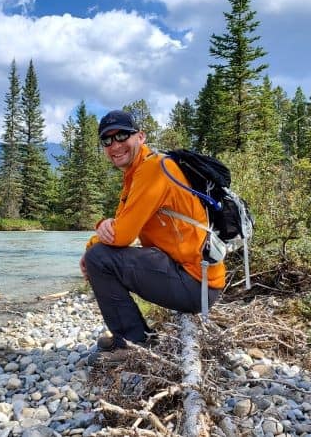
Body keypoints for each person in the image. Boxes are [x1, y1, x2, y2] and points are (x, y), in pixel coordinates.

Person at [80, 110, 225, 363]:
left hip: (196, 285)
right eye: (107, 140)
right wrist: (98, 234)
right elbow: (121, 226)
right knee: (97, 255)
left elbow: (121, 235)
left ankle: (132, 344)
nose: (115, 145)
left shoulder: (153, 169)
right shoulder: (137, 173)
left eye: (122, 135)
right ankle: (133, 336)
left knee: (99, 259)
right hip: (194, 277)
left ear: (141, 136)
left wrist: (94, 243)